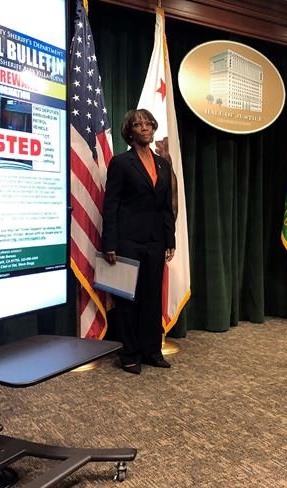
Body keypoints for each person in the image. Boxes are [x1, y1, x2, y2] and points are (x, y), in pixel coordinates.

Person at [102, 109, 176, 374]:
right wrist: (110, 242)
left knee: (152, 298)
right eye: (138, 124)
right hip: (128, 241)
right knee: (127, 301)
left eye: (148, 124)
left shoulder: (162, 164)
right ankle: (130, 354)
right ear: (130, 132)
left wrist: (170, 239)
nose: (145, 127)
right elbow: (111, 205)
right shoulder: (121, 163)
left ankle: (151, 351)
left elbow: (166, 206)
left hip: (156, 242)